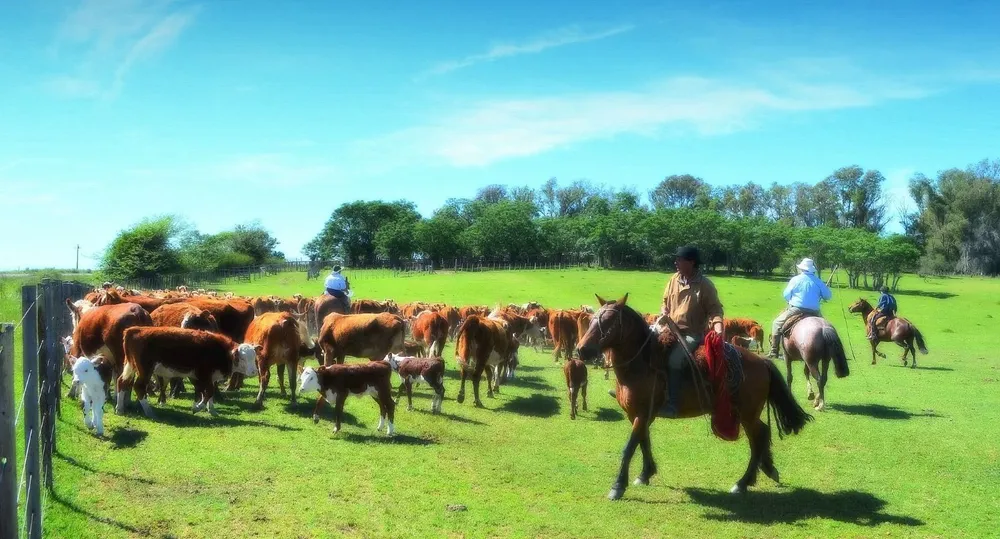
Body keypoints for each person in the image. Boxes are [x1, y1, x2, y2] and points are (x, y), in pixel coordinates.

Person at [658, 246, 726, 417]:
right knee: (645, 348)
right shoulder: (674, 279)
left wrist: (718, 329)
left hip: (691, 334)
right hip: (669, 329)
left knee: (674, 360)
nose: (676, 262)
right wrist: (664, 311)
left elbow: (715, 310)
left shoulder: (705, 285)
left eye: (680, 259)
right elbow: (664, 301)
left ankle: (672, 404)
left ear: (691, 262)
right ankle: (638, 393)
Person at [768, 258, 832, 359]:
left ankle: (774, 350)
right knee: (826, 328)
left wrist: (790, 300)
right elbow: (828, 296)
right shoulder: (818, 281)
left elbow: (786, 295)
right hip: (815, 311)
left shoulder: (795, 279)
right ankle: (829, 352)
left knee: (776, 323)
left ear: (801, 269)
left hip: (797, 310)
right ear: (812, 270)